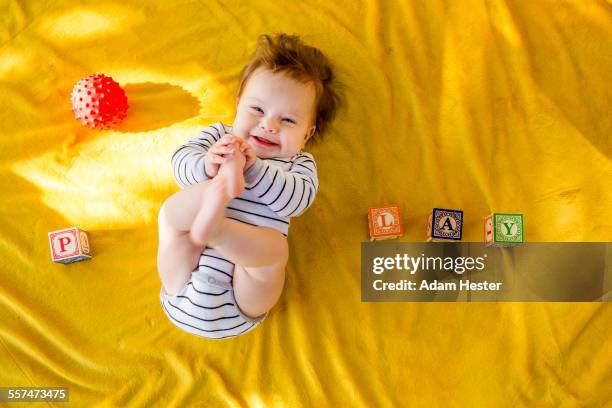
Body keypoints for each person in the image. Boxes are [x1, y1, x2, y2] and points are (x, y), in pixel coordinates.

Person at [157, 33, 341, 339]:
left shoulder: (297, 165)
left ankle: (218, 229)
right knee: (171, 215)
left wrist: (254, 169)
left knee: (274, 252)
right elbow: (180, 165)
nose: (269, 125)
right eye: (257, 111)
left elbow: (297, 201)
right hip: (183, 275)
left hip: (241, 298)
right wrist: (208, 165)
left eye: (288, 120)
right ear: (238, 105)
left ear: (306, 135)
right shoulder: (218, 136)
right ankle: (216, 194)